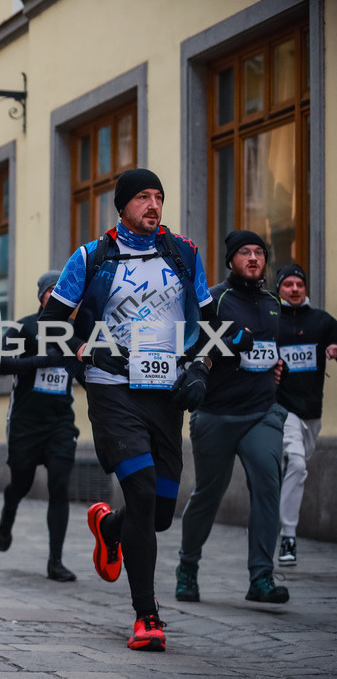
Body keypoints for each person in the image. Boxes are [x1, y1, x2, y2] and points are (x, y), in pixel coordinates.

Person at [39, 168, 217, 652]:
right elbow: (51, 324)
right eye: (142, 197)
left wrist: (200, 367)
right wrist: (84, 350)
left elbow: (208, 325)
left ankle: (109, 525)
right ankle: (147, 617)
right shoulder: (91, 257)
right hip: (111, 388)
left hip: (166, 391)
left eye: (159, 196)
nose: (153, 204)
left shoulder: (183, 253)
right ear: (122, 206)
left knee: (157, 513)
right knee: (138, 490)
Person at [175, 231, 289, 606]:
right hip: (216, 413)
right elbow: (194, 342)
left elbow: (273, 348)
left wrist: (278, 366)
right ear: (230, 260)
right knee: (208, 494)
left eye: (259, 252)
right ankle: (187, 568)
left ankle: (261, 577)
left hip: (262, 411)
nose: (254, 258)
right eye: (245, 253)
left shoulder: (274, 303)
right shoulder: (216, 298)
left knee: (268, 487)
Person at [0, 270, 81, 582]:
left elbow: (86, 371)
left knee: (59, 486)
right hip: (25, 423)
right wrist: (38, 362)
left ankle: (55, 561)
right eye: (52, 291)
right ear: (42, 295)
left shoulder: (75, 331)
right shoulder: (26, 326)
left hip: (60, 423)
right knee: (22, 482)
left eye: (64, 291)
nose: (58, 296)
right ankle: (8, 514)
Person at [273, 264, 337, 566]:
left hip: (312, 412)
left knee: (298, 464)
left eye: (300, 284)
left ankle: (275, 496)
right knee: (297, 464)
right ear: (279, 288)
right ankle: (288, 535)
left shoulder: (322, 321)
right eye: (288, 284)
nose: (295, 289)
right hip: (284, 409)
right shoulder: (272, 322)